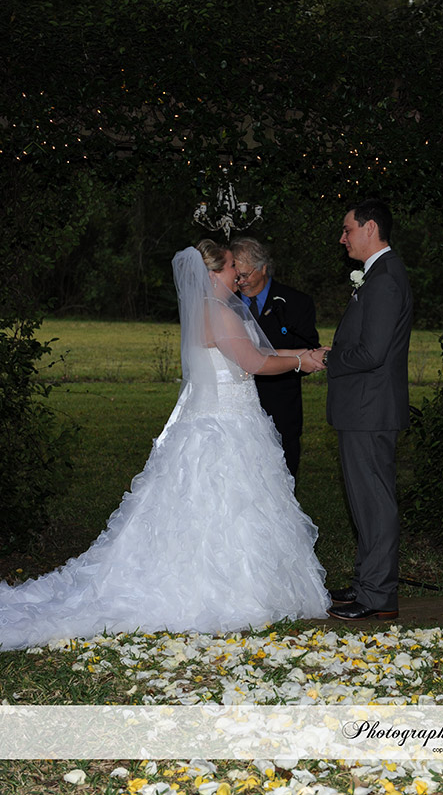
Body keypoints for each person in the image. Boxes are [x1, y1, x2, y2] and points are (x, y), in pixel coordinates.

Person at [0, 241, 330, 651]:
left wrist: (307, 353)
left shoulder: (212, 310)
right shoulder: (219, 312)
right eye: (232, 267)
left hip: (231, 420)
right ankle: (225, 592)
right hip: (224, 428)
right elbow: (255, 363)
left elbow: (260, 351)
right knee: (226, 507)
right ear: (213, 274)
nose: (238, 274)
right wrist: (300, 363)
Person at [316, 199, 413, 621]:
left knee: (374, 502)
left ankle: (377, 596)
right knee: (364, 501)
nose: (343, 239)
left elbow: (373, 353)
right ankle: (365, 583)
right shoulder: (377, 275)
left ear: (370, 228)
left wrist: (330, 358)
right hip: (363, 408)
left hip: (370, 409)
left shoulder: (385, 279)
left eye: (347, 230)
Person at [230, 237, 319, 478]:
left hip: (281, 407)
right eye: (236, 276)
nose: (240, 282)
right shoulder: (225, 304)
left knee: (281, 481)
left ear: (263, 268)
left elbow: (308, 349)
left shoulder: (297, 302)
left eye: (245, 275)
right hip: (236, 410)